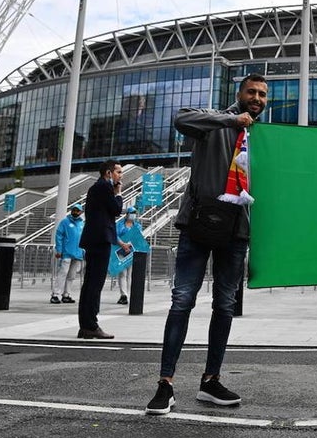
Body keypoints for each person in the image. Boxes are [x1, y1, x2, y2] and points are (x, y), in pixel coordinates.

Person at [146, 74, 268, 416]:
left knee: (225, 305)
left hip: (236, 230)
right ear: (239, 94)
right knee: (183, 300)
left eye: (262, 94)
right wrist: (232, 119)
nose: (257, 98)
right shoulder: (215, 123)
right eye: (251, 92)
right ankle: (165, 384)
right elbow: (180, 118)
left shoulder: (264, 137)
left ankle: (210, 381)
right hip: (200, 224)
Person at [77, 161, 123, 339]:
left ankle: (86, 325)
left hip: (94, 239)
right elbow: (117, 210)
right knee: (95, 284)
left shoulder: (97, 188)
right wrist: (118, 193)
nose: (121, 176)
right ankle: (91, 325)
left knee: (90, 284)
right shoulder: (104, 187)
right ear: (108, 173)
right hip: (100, 240)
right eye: (118, 172)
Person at [51, 203, 85, 304]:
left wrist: (83, 250)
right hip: (66, 252)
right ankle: (55, 294)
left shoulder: (82, 223)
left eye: (77, 210)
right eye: (73, 210)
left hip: (77, 253)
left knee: (71, 275)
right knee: (63, 273)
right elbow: (59, 236)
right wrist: (59, 250)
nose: (75, 212)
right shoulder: (65, 222)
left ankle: (66, 294)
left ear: (80, 212)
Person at [114, 205, 144, 305]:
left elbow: (138, 236)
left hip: (132, 251)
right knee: (122, 273)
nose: (132, 215)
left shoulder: (137, 226)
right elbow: (115, 235)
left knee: (129, 275)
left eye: (134, 213)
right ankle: (124, 294)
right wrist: (123, 244)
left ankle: (128, 294)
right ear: (127, 214)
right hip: (121, 251)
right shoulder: (120, 225)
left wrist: (130, 244)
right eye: (131, 213)